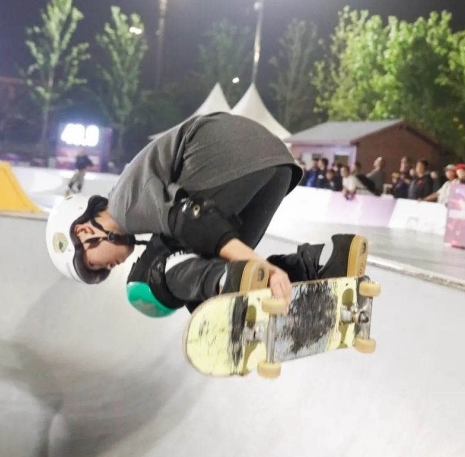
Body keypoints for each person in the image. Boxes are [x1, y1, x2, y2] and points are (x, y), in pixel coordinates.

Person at [46, 114, 368, 317]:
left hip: (230, 156)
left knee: (147, 281)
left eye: (96, 265)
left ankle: (229, 282)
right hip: (276, 165)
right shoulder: (136, 204)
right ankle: (322, 267)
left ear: (84, 232)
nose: (109, 267)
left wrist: (262, 267)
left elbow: (193, 220)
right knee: (207, 280)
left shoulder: (123, 206)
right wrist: (259, 272)